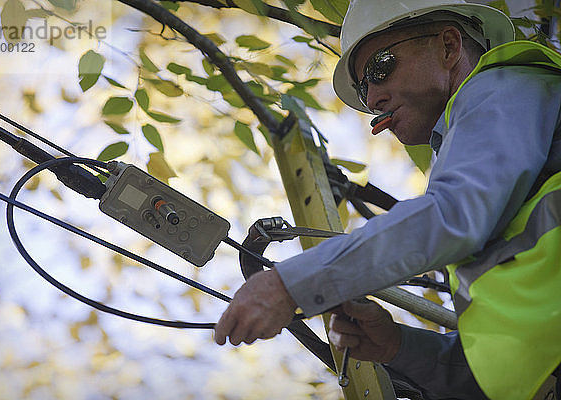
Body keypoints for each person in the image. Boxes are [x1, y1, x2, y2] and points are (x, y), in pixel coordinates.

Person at [214, 1, 561, 398]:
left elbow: (449, 218)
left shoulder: (503, 86)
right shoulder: (492, 173)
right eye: (363, 88)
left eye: (380, 67)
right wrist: (397, 346)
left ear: (448, 46)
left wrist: (290, 284)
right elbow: (504, 373)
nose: (373, 97)